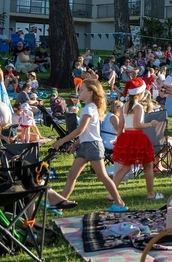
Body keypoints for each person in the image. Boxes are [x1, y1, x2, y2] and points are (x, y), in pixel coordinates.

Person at [52, 79, 127, 212]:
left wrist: (62, 141)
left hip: (93, 146)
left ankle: (119, 203)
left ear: (91, 92)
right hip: (85, 146)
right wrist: (76, 143)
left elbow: (80, 129)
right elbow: (88, 131)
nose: (79, 92)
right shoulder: (90, 108)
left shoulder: (89, 108)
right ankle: (60, 205)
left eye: (82, 90)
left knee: (102, 176)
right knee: (72, 175)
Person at [112, 78, 165, 200]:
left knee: (125, 167)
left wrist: (118, 139)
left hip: (127, 137)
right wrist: (151, 124)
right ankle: (151, 193)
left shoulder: (124, 106)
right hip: (138, 137)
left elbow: (121, 126)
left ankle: (111, 192)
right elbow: (137, 125)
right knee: (148, 166)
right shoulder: (138, 107)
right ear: (140, 93)